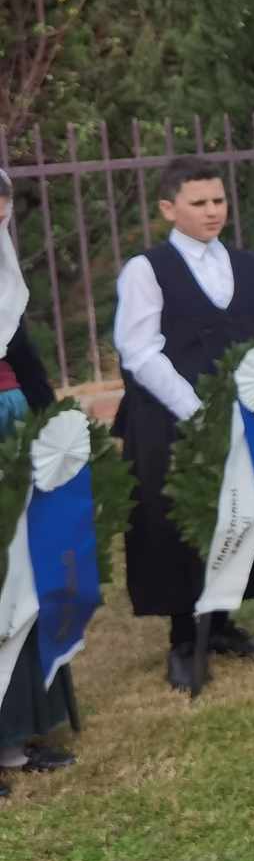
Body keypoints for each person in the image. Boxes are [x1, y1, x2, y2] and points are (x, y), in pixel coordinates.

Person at [112, 156, 254, 693]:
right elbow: (140, 351)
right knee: (176, 523)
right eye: (199, 203)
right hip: (169, 419)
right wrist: (196, 410)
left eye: (219, 200)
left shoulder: (248, 266)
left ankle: (223, 622)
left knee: (239, 511)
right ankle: (184, 639)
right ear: (169, 208)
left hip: (241, 412)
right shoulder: (146, 270)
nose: (213, 211)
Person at [0, 167, 72, 792]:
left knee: (22, 575)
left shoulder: (6, 286)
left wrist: (56, 427)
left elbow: (25, 362)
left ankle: (18, 735)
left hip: (13, 427)